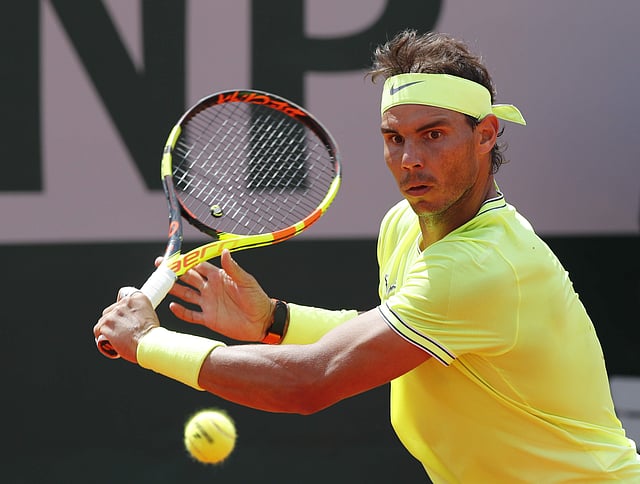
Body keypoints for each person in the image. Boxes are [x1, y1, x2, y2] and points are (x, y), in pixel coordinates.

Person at [94, 30, 640, 482]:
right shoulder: (403, 224)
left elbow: (310, 381)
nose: (410, 159)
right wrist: (274, 321)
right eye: (394, 138)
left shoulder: (483, 265)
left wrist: (148, 342)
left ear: (485, 135)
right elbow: (388, 333)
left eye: (433, 135)